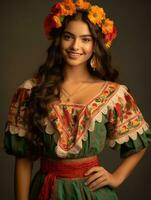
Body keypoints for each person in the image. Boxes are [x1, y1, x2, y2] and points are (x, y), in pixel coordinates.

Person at [4, 0, 151, 199]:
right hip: (47, 191)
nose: (75, 46)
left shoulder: (113, 94)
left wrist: (116, 177)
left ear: (95, 44)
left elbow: (140, 145)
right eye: (68, 37)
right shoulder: (31, 91)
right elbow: (23, 159)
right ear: (58, 39)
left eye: (85, 39)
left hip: (92, 194)